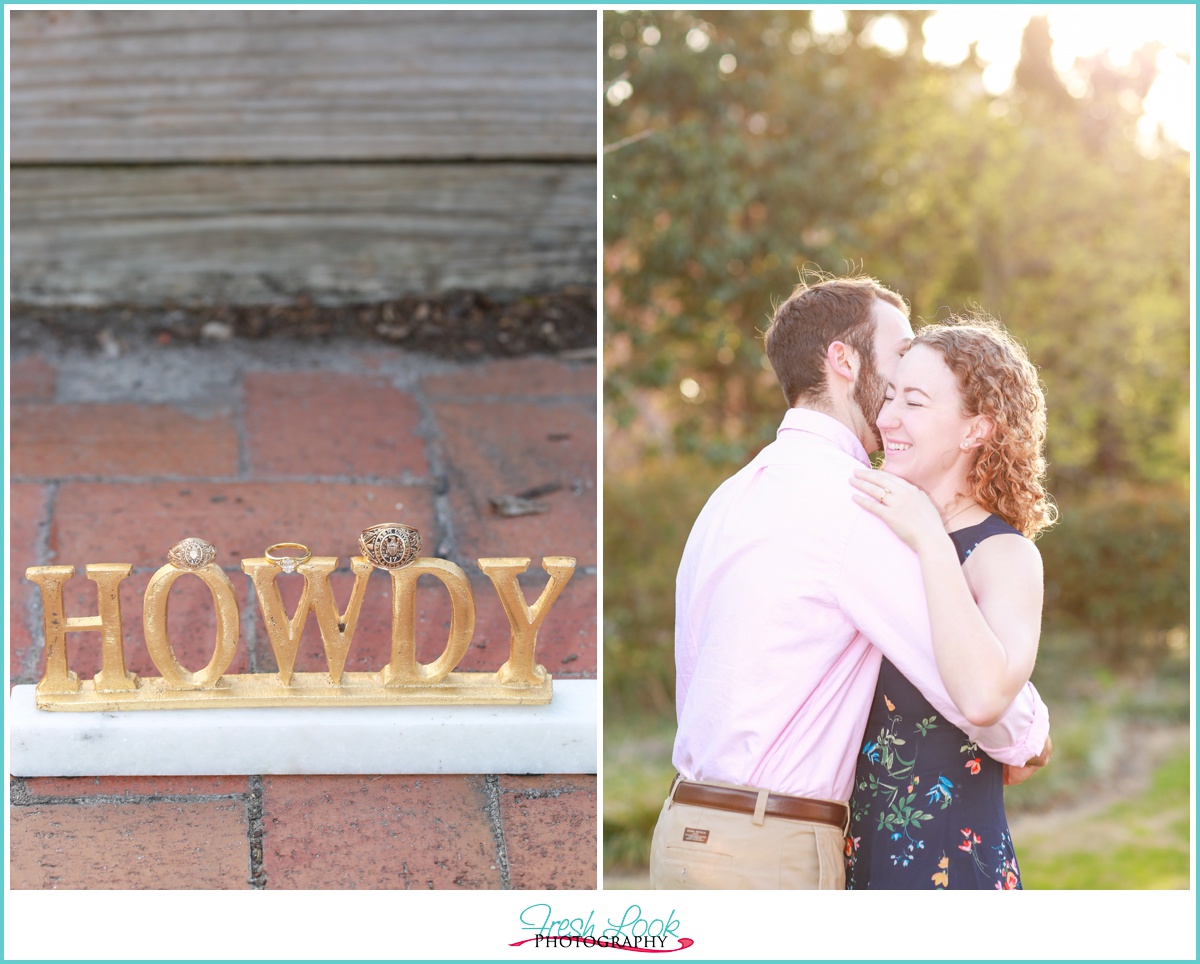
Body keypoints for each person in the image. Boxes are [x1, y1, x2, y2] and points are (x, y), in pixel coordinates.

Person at [648, 273, 1050, 890]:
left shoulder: (731, 496)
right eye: (896, 364)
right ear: (844, 359)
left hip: (686, 828)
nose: (894, 397)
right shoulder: (855, 503)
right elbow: (968, 688)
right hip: (768, 846)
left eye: (914, 395)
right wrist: (1031, 737)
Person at [844, 317, 1055, 889]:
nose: (886, 418)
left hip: (952, 870)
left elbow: (986, 696)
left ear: (975, 430)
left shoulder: (1003, 555)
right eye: (889, 396)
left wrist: (931, 541)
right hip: (847, 868)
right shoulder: (869, 533)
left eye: (913, 402)